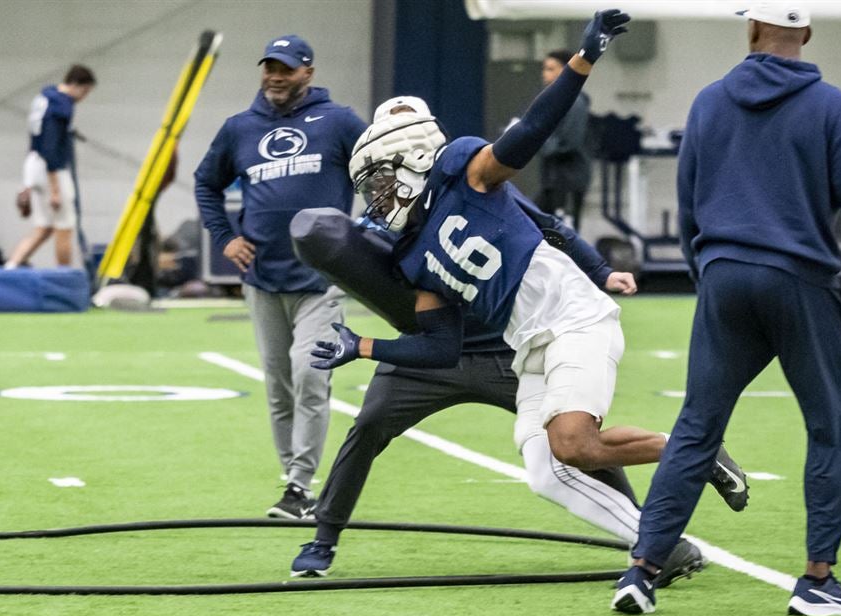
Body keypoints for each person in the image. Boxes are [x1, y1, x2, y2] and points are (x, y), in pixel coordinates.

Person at [299, 7, 739, 569]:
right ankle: (662, 542)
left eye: (381, 179)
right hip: (529, 342)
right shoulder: (410, 255)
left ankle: (675, 500)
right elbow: (439, 346)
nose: (378, 195)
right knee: (546, 471)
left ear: (410, 154)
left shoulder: (465, 171)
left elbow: (530, 135)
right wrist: (362, 346)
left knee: (576, 444)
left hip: (573, 318)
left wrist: (582, 61)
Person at [610, 4, 841, 616]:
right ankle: (817, 582)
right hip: (801, 281)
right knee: (827, 428)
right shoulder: (835, 107)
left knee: (697, 427)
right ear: (805, 33)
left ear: (751, 29)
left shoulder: (708, 102)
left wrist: (711, 273)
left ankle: (642, 570)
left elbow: (689, 203)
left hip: (725, 278)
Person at [194, 34, 367, 519]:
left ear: (307, 73)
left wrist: (373, 228)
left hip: (321, 278)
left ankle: (298, 483)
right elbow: (206, 183)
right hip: (262, 278)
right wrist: (225, 236)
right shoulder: (239, 128)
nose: (275, 76)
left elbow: (381, 170)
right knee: (277, 384)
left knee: (309, 375)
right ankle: (296, 483)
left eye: (286, 68)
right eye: (269, 66)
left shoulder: (339, 123)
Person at [5, 64, 95, 269]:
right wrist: (55, 189)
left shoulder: (45, 97)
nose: (84, 97)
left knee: (44, 227)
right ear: (77, 85)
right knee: (65, 226)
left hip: (33, 165)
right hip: (51, 170)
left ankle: (10, 267)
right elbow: (50, 147)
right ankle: (63, 278)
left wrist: (28, 182)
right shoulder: (62, 105)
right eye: (86, 91)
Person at [537, 49, 592, 228]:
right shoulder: (557, 100)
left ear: (564, 70)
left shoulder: (574, 102)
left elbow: (570, 142)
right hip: (553, 179)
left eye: (550, 69)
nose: (545, 74)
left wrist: (539, 143)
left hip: (568, 180)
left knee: (565, 232)